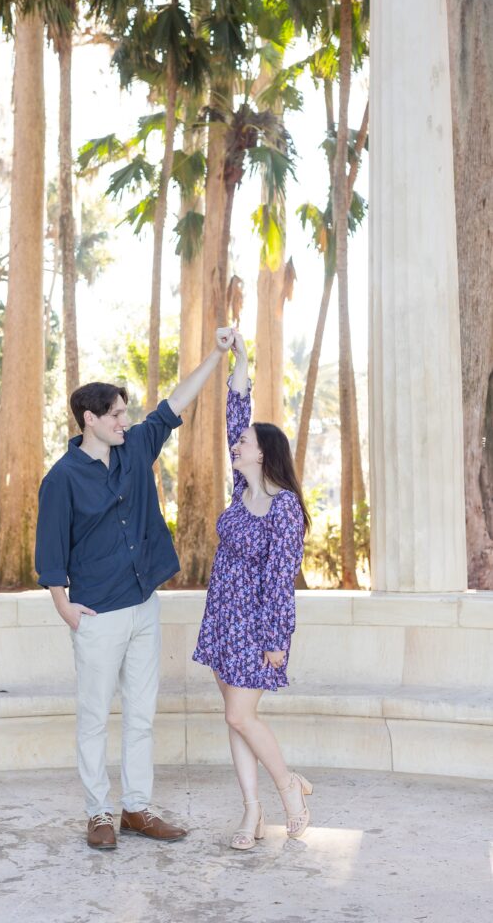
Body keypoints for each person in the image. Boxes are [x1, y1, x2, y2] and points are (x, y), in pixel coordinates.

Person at [35, 327, 235, 850]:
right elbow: (51, 555)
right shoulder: (61, 479)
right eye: (117, 415)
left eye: (126, 413)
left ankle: (137, 809)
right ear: (90, 421)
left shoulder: (136, 447)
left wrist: (215, 353)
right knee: (95, 716)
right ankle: (99, 813)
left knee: (142, 714)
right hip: (97, 614)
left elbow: (176, 401)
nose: (127, 421)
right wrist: (67, 610)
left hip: (145, 604)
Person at [192, 330, 313, 850]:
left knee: (241, 714)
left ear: (263, 455)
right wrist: (240, 356)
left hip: (257, 625)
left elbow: (281, 581)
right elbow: (236, 409)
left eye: (244, 442)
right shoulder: (241, 491)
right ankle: (251, 813)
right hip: (222, 618)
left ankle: (289, 787)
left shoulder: (284, 508)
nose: (236, 442)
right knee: (234, 718)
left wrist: (276, 639)